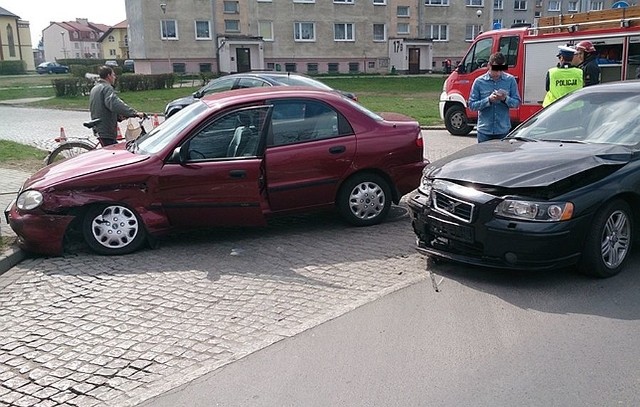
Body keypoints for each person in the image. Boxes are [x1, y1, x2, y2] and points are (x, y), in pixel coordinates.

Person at [468, 52, 521, 143]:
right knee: (484, 157)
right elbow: (472, 105)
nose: (498, 73)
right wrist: (488, 100)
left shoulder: (510, 80)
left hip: (502, 129)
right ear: (489, 65)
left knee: (501, 157)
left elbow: (517, 103)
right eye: (495, 69)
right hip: (484, 130)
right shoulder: (479, 82)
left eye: (500, 70)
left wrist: (505, 99)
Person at [89, 65, 145, 146]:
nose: (115, 77)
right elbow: (114, 103)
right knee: (114, 153)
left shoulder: (95, 88)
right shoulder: (106, 88)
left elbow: (103, 106)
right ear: (108, 76)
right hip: (105, 128)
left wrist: (118, 117)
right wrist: (134, 113)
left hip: (99, 126)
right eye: (113, 75)